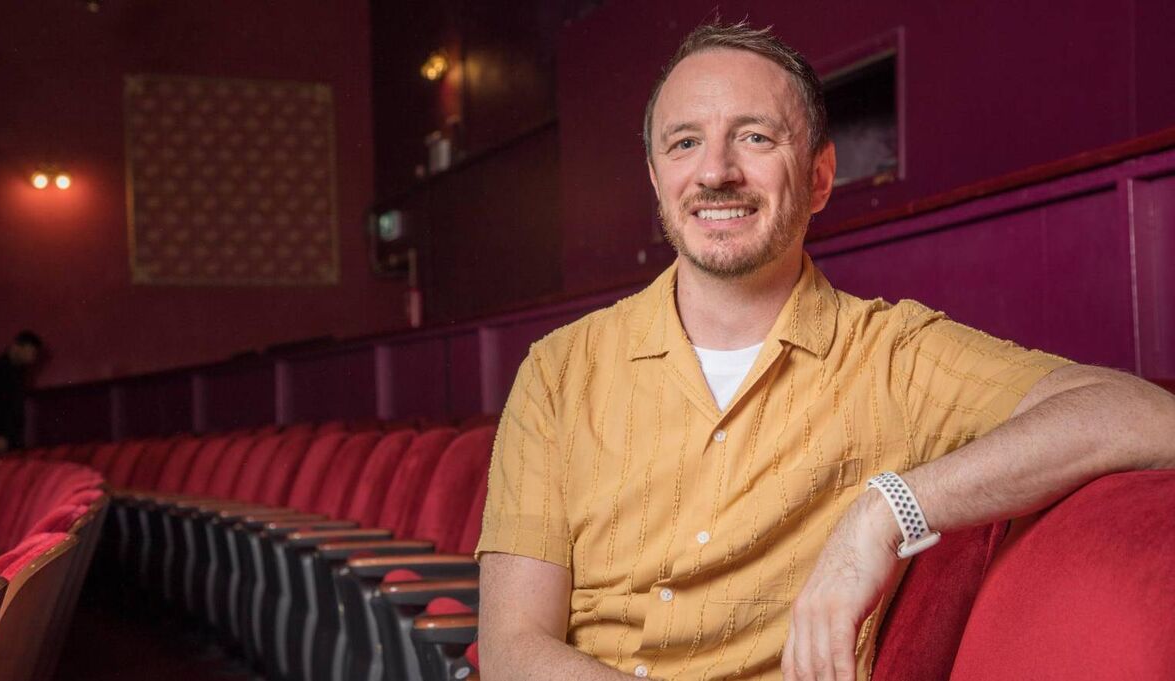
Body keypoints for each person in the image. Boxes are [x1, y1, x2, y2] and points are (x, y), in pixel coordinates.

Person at [475, 20, 1175, 681]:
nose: (715, 170)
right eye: (684, 142)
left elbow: (1147, 417)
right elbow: (512, 649)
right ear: (657, 177)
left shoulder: (892, 356)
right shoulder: (559, 370)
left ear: (818, 176)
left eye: (754, 137)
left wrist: (889, 508)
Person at [0, 330, 43, 454]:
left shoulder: (21, 372)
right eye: (32, 352)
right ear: (18, 346)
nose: (33, 358)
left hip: (10, 438)